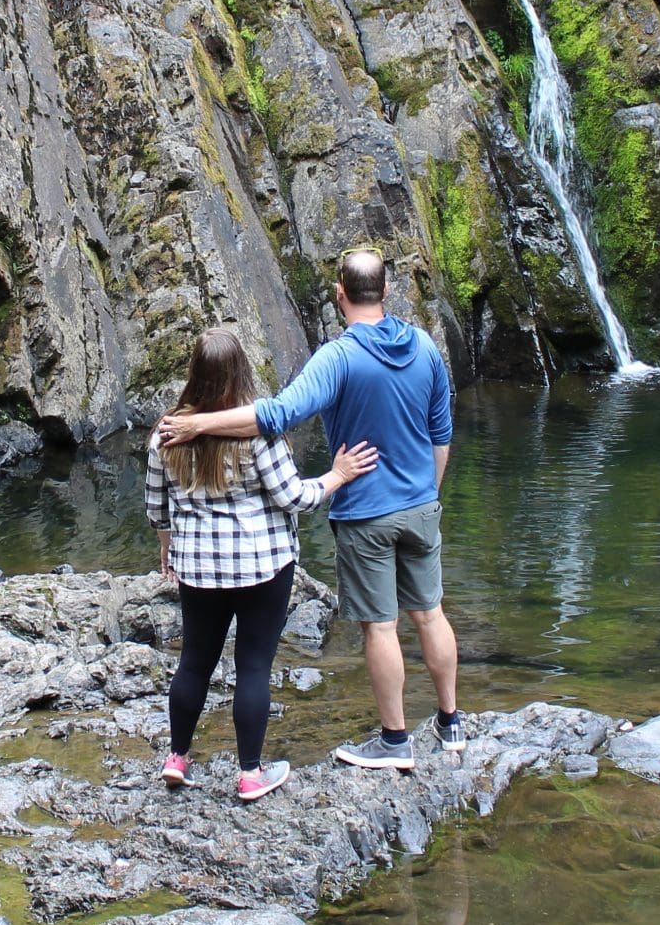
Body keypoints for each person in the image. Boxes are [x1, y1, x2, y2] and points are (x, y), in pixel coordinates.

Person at [159, 249, 461, 773]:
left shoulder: (338, 358)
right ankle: (451, 723)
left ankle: (395, 741)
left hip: (367, 512)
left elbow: (277, 415)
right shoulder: (427, 347)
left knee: (382, 628)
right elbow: (442, 434)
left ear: (340, 294)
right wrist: (429, 495)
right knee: (431, 614)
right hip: (421, 506)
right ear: (386, 291)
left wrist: (197, 425)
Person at [146, 327, 379, 802]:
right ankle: (250, 773)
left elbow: (156, 506)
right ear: (240, 372)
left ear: (194, 372)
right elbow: (295, 498)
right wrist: (337, 476)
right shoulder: (258, 435)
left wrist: (167, 544)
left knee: (194, 663)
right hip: (262, 566)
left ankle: (176, 758)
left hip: (199, 569)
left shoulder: (166, 433)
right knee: (253, 667)